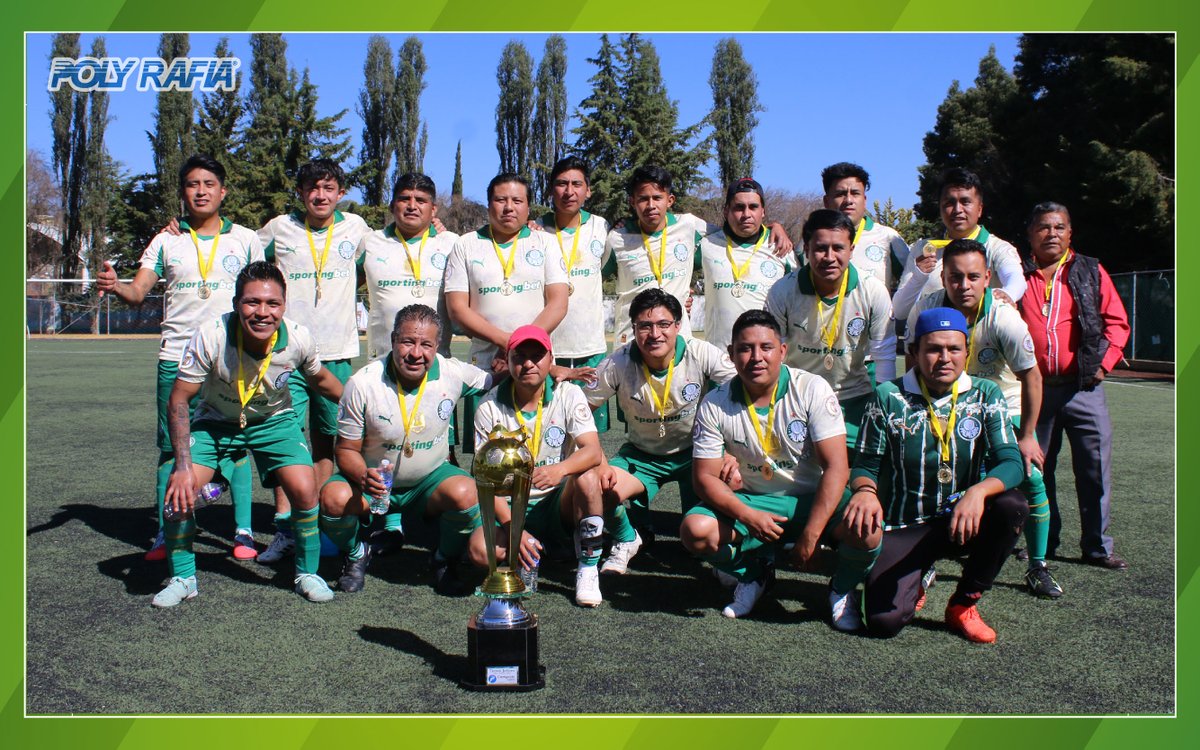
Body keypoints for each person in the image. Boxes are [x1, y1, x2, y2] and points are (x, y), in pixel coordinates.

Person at [96, 154, 262, 563]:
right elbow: (137, 292)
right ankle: (166, 531)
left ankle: (242, 531)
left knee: (236, 445)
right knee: (173, 449)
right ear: (183, 193)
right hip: (176, 357)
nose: (201, 190)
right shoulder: (166, 240)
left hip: (229, 361)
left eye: (209, 183)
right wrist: (116, 286)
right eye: (192, 184)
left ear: (223, 191)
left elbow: (262, 292)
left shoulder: (245, 239)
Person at [153, 261, 345, 606]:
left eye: (272, 304)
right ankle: (183, 578)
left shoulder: (298, 338)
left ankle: (307, 573)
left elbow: (321, 381)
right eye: (251, 302)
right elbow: (179, 399)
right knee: (177, 492)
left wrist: (357, 404)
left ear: (283, 306)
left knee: (304, 489)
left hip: (274, 421)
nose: (262, 312)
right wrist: (182, 466)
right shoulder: (211, 335)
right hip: (215, 421)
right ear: (236, 304)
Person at [684, 310, 880, 621]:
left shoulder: (812, 389)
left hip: (814, 499)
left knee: (868, 529)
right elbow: (704, 478)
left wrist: (812, 535)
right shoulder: (715, 402)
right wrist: (748, 515)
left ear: (783, 351)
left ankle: (841, 589)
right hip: (755, 500)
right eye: (745, 348)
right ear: (731, 354)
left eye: (766, 347)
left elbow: (836, 468)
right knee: (696, 530)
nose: (756, 357)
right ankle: (753, 575)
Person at [849, 307, 1028, 642]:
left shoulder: (984, 394)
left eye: (954, 349)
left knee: (1012, 506)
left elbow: (1012, 462)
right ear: (914, 352)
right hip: (907, 525)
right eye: (933, 349)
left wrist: (977, 493)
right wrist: (865, 492)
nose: (944, 358)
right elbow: (865, 465)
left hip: (964, 518)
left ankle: (964, 603)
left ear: (966, 352)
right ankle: (918, 573)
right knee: (882, 623)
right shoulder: (889, 396)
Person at [908, 239, 1060, 597]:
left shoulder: (1005, 318)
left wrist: (1027, 436)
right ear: (943, 278)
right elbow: (914, 364)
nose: (964, 286)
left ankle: (1037, 565)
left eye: (973, 277)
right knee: (927, 472)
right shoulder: (927, 309)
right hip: (945, 404)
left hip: (1000, 407)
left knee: (1030, 477)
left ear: (988, 277)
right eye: (955, 277)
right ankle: (925, 559)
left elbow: (1032, 377)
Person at [320, 305, 492, 595]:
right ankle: (356, 553)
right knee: (333, 498)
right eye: (408, 341)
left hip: (428, 483)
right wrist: (364, 475)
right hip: (374, 486)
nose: (416, 353)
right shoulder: (361, 384)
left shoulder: (452, 372)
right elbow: (345, 450)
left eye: (426, 344)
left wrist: (550, 369)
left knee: (467, 493)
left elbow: (500, 377)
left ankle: (443, 559)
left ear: (437, 346)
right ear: (392, 340)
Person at [253, 160, 373, 563]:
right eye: (312, 188)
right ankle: (285, 526)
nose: (320, 195)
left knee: (328, 439)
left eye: (328, 187)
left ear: (340, 192)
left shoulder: (356, 229)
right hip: (285, 354)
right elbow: (236, 250)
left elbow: (397, 243)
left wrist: (439, 228)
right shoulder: (277, 228)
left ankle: (319, 519)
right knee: (283, 435)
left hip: (336, 352)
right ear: (301, 193)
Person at [584, 288, 737, 569]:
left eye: (663, 324)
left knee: (734, 476)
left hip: (696, 454)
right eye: (645, 326)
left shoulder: (700, 352)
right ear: (633, 328)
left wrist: (731, 450)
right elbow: (580, 412)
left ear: (678, 326)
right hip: (642, 456)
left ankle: (720, 557)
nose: (654, 334)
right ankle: (626, 538)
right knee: (596, 486)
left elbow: (744, 389)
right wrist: (599, 459)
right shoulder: (618, 362)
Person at [1019, 202, 1130, 569]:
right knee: (1036, 470)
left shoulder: (1090, 270)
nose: (1051, 233)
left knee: (1094, 470)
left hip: (1084, 388)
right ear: (1030, 234)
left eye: (1059, 227)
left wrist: (1103, 364)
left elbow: (1117, 323)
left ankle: (1097, 547)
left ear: (1070, 233)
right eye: (1043, 227)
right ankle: (1044, 542)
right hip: (1035, 390)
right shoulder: (1016, 275)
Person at [355, 173, 460, 555]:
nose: (412, 205)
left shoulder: (453, 244)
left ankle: (440, 521)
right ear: (392, 205)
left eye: (420, 199)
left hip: (435, 367)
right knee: (384, 444)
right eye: (404, 198)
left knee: (437, 442)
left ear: (434, 209)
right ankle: (389, 522)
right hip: (383, 368)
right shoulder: (368, 241)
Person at [467, 326, 607, 607]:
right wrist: (513, 526)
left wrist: (559, 470)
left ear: (550, 359)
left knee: (589, 477)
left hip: (557, 500)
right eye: (520, 357)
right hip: (509, 504)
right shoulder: (488, 407)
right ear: (507, 360)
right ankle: (537, 549)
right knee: (480, 551)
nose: (528, 363)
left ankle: (588, 568)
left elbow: (593, 451)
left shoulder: (569, 394)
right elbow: (483, 480)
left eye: (537, 356)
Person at [444, 173, 569, 452]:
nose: (508, 207)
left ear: (528, 207)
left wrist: (519, 347)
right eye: (500, 200)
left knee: (539, 444)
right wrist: (505, 343)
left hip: (535, 359)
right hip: (487, 365)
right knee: (489, 456)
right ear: (489, 205)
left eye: (517, 200)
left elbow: (558, 303)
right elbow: (457, 309)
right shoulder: (465, 244)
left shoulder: (546, 243)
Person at [603, 165, 793, 348]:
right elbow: (594, 280)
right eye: (643, 199)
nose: (651, 205)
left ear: (670, 200)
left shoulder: (690, 227)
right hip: (631, 340)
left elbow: (740, 230)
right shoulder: (617, 239)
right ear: (632, 201)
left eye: (657, 197)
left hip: (678, 342)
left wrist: (773, 227)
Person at [765, 209, 895, 458]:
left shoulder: (873, 291)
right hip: (798, 397)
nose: (829, 257)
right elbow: (773, 355)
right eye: (820, 248)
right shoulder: (782, 291)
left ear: (851, 249)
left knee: (858, 474)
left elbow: (884, 356)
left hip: (854, 399)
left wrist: (884, 412)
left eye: (838, 248)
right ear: (807, 248)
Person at [534, 157, 613, 432]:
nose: (569, 191)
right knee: (546, 428)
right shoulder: (534, 230)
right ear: (550, 190)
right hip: (547, 349)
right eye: (562, 184)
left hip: (590, 348)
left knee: (587, 433)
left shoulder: (603, 229)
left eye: (577, 184)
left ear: (588, 190)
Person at [892, 167, 1026, 321]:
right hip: (933, 342)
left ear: (980, 209)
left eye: (965, 202)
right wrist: (918, 277)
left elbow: (1015, 278)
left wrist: (1008, 294)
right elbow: (900, 311)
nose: (957, 210)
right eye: (949, 203)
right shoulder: (923, 249)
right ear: (940, 208)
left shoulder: (997, 248)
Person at [698, 177, 792, 352]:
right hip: (719, 361)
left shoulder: (781, 248)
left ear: (763, 211)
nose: (746, 214)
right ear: (726, 211)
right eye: (739, 207)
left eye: (753, 207)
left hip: (764, 360)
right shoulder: (706, 245)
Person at [820, 162, 910, 291]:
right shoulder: (811, 240)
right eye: (841, 194)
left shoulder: (888, 237)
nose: (848, 200)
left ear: (865, 200)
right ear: (826, 201)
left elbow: (911, 285)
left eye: (855, 193)